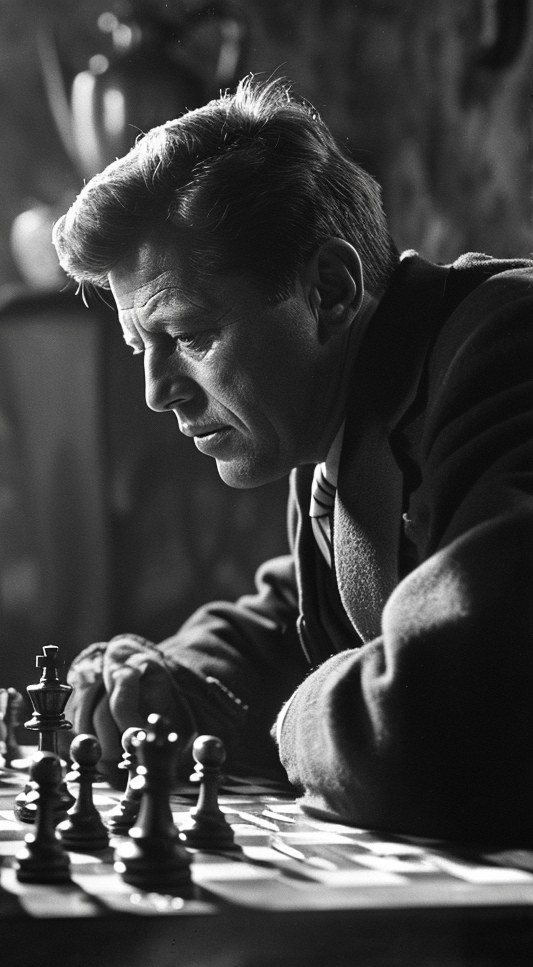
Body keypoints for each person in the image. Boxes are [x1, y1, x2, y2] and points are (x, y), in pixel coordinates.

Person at [52, 77, 533, 845]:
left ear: (331, 290)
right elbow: (302, 619)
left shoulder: (506, 348)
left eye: (191, 334)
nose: (156, 393)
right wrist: (168, 682)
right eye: (142, 347)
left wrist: (291, 715)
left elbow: (447, 719)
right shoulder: (334, 411)